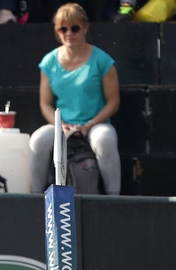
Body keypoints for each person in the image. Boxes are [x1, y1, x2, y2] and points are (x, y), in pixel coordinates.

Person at [29, 3, 120, 195]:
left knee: (105, 140)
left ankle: (114, 198)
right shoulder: (49, 62)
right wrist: (60, 125)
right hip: (62, 124)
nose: (69, 33)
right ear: (57, 32)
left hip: (96, 123)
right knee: (38, 140)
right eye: (63, 29)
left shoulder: (102, 61)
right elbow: (45, 103)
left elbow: (113, 102)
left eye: (75, 28)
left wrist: (90, 124)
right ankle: (36, 197)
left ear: (85, 28)